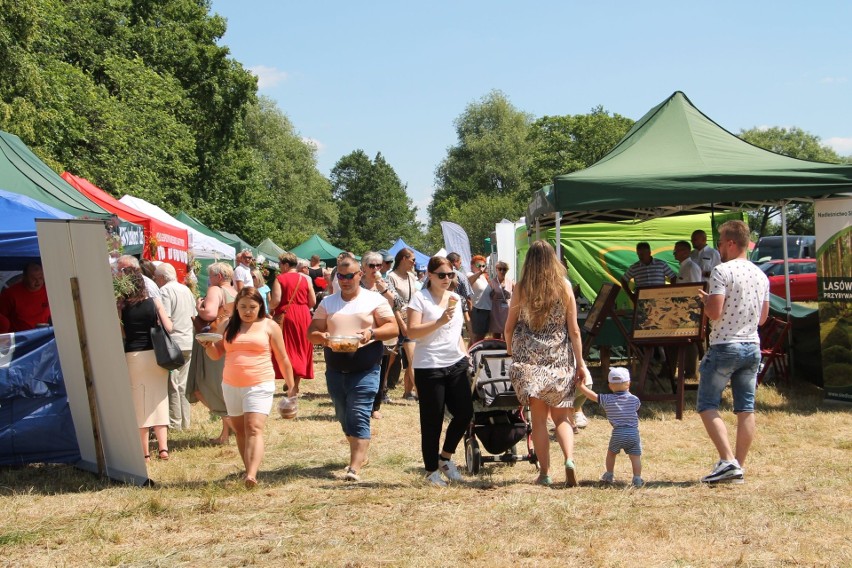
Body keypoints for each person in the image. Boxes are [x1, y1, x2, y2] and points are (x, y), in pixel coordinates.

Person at [504, 240, 587, 487]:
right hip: (560, 358)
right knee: (562, 417)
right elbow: (574, 330)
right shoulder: (564, 286)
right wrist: (580, 363)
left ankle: (545, 473)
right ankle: (569, 460)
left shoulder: (521, 287)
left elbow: (509, 325)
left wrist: (509, 348)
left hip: (530, 361)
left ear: (528, 261)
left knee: (538, 420)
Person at [308, 258, 398, 482]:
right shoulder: (328, 302)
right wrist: (322, 337)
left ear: (360, 275)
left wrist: (372, 334)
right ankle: (360, 450)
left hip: (366, 368)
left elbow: (392, 327)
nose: (345, 280)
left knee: (359, 413)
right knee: (343, 415)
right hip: (336, 369)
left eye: (350, 276)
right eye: (341, 276)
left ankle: (354, 467)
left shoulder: (374, 300)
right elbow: (312, 332)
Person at [198, 287, 295, 488]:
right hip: (231, 384)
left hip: (260, 383)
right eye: (243, 307)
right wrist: (208, 347)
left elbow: (282, 357)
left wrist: (291, 385)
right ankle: (247, 467)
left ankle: (251, 474)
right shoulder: (226, 324)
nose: (247, 311)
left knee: (254, 428)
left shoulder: (269, 326)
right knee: (240, 430)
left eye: (252, 307)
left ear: (260, 306)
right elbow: (216, 354)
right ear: (237, 308)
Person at [696, 220, 769, 484]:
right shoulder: (762, 275)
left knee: (706, 404)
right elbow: (763, 318)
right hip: (752, 345)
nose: (718, 249)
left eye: (719, 243)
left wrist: (705, 303)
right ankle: (738, 465)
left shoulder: (721, 271)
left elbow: (715, 312)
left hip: (725, 344)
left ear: (730, 242)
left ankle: (727, 460)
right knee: (745, 408)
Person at [407, 256, 472, 487]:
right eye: (442, 275)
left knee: (465, 413)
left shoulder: (455, 298)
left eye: (451, 274)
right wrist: (438, 321)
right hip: (429, 365)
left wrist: (465, 354)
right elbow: (412, 332)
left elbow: (456, 334)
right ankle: (431, 471)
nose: (447, 279)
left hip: (455, 363)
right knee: (432, 421)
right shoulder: (420, 299)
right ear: (430, 276)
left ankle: (445, 458)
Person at [118, 268, 173, 462]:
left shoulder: (121, 307)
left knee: (139, 403)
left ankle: (145, 453)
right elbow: (169, 327)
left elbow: (122, 333)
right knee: (160, 399)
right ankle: (163, 448)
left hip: (134, 355)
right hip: (155, 356)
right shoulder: (154, 302)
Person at [188, 262, 237, 445]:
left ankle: (232, 424)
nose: (209, 280)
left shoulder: (215, 290)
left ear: (217, 276)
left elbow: (209, 314)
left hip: (214, 341)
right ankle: (225, 435)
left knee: (204, 386)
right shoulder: (236, 292)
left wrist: (199, 305)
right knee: (223, 386)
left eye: (210, 276)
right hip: (229, 341)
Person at [576, 367, 644, 487]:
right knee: (635, 457)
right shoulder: (634, 399)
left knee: (611, 453)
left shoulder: (607, 399)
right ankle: (637, 478)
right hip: (633, 434)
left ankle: (609, 474)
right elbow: (637, 407)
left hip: (617, 433)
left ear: (610, 386)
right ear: (628, 383)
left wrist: (581, 387)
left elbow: (593, 396)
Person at [154, 263, 197, 431]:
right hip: (188, 341)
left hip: (174, 343)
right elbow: (193, 316)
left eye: (156, 278)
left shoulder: (165, 291)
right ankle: (185, 421)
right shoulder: (186, 290)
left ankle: (175, 423)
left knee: (173, 384)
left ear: (162, 278)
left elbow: (166, 319)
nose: (156, 281)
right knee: (183, 385)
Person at [269, 252, 316, 394]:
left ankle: (290, 382)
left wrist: (269, 304)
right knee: (301, 348)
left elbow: (275, 301)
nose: (279, 267)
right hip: (303, 315)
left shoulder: (280, 279)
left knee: (287, 348)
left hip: (286, 315)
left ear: (285, 264)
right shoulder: (306, 279)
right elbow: (312, 301)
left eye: (280, 265)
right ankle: (295, 383)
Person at [360, 252, 397, 419]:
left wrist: (385, 291)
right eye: (372, 265)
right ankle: (360, 402)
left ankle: (375, 405)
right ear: (364, 267)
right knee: (360, 367)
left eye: (379, 266)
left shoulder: (385, 283)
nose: (376, 269)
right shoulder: (357, 283)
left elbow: (398, 304)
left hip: (381, 331)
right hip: (360, 329)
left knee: (380, 369)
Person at [387, 248, 419, 401]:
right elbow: (392, 304)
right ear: (403, 259)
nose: (414, 262)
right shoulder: (391, 277)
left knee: (413, 357)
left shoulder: (412, 277)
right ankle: (382, 389)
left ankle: (409, 391)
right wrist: (401, 324)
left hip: (412, 319)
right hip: (398, 319)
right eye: (412, 259)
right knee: (390, 358)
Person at [0, 262, 50, 331]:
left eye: (40, 277)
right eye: (33, 278)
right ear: (24, 277)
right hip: (20, 337)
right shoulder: (10, 294)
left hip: (43, 336)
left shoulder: (49, 291)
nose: (38, 281)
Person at [446, 252, 474, 337]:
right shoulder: (461, 276)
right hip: (456, 313)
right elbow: (468, 299)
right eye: (460, 263)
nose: (460, 265)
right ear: (455, 262)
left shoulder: (434, 275)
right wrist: (470, 319)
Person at [468, 255, 491, 345]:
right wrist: (480, 272)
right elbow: (469, 282)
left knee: (482, 335)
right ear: (472, 266)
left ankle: (474, 352)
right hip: (478, 309)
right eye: (478, 265)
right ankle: (471, 353)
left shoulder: (484, 277)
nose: (481, 268)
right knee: (476, 336)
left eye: (483, 266)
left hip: (487, 308)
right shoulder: (470, 274)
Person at [488, 261, 513, 339]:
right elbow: (488, 296)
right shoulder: (492, 282)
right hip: (496, 309)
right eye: (500, 269)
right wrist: (492, 296)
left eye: (504, 269)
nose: (502, 271)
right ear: (496, 269)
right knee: (496, 332)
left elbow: (518, 293)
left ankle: (506, 348)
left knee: (507, 330)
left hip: (507, 309)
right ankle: (496, 348)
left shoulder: (510, 282)